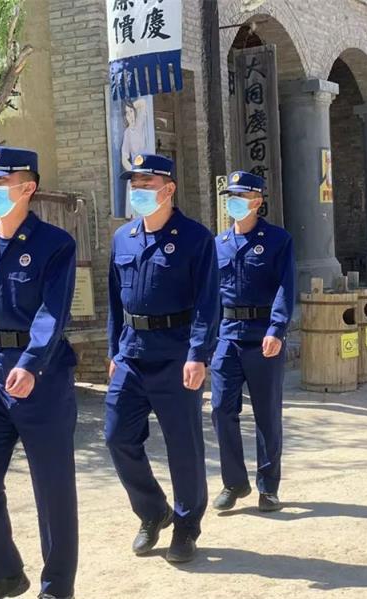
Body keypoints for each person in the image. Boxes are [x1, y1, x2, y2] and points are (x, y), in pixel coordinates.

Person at [0, 146, 78, 599]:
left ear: (27, 187)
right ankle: (4, 574)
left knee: (52, 485)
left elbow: (52, 313)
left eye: (0, 182)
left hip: (42, 376)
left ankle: (57, 587)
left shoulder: (55, 245)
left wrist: (31, 364)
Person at [105, 153, 219, 563]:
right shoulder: (123, 238)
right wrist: (113, 351)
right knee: (117, 436)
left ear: (168, 189)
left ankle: (186, 527)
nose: (137, 191)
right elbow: (114, 303)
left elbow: (208, 303)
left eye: (146, 184)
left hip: (176, 355)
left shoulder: (195, 238)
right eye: (134, 185)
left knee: (183, 446)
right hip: (131, 355)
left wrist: (198, 355)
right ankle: (153, 511)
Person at [210, 171, 295, 513]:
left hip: (263, 336)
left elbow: (286, 287)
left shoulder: (277, 240)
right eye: (230, 197)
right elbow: (210, 296)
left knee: (266, 414)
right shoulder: (218, 244)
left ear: (257, 201)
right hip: (227, 336)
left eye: (241, 197)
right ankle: (234, 482)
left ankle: (268, 487)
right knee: (220, 409)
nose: (233, 202)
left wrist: (277, 328)